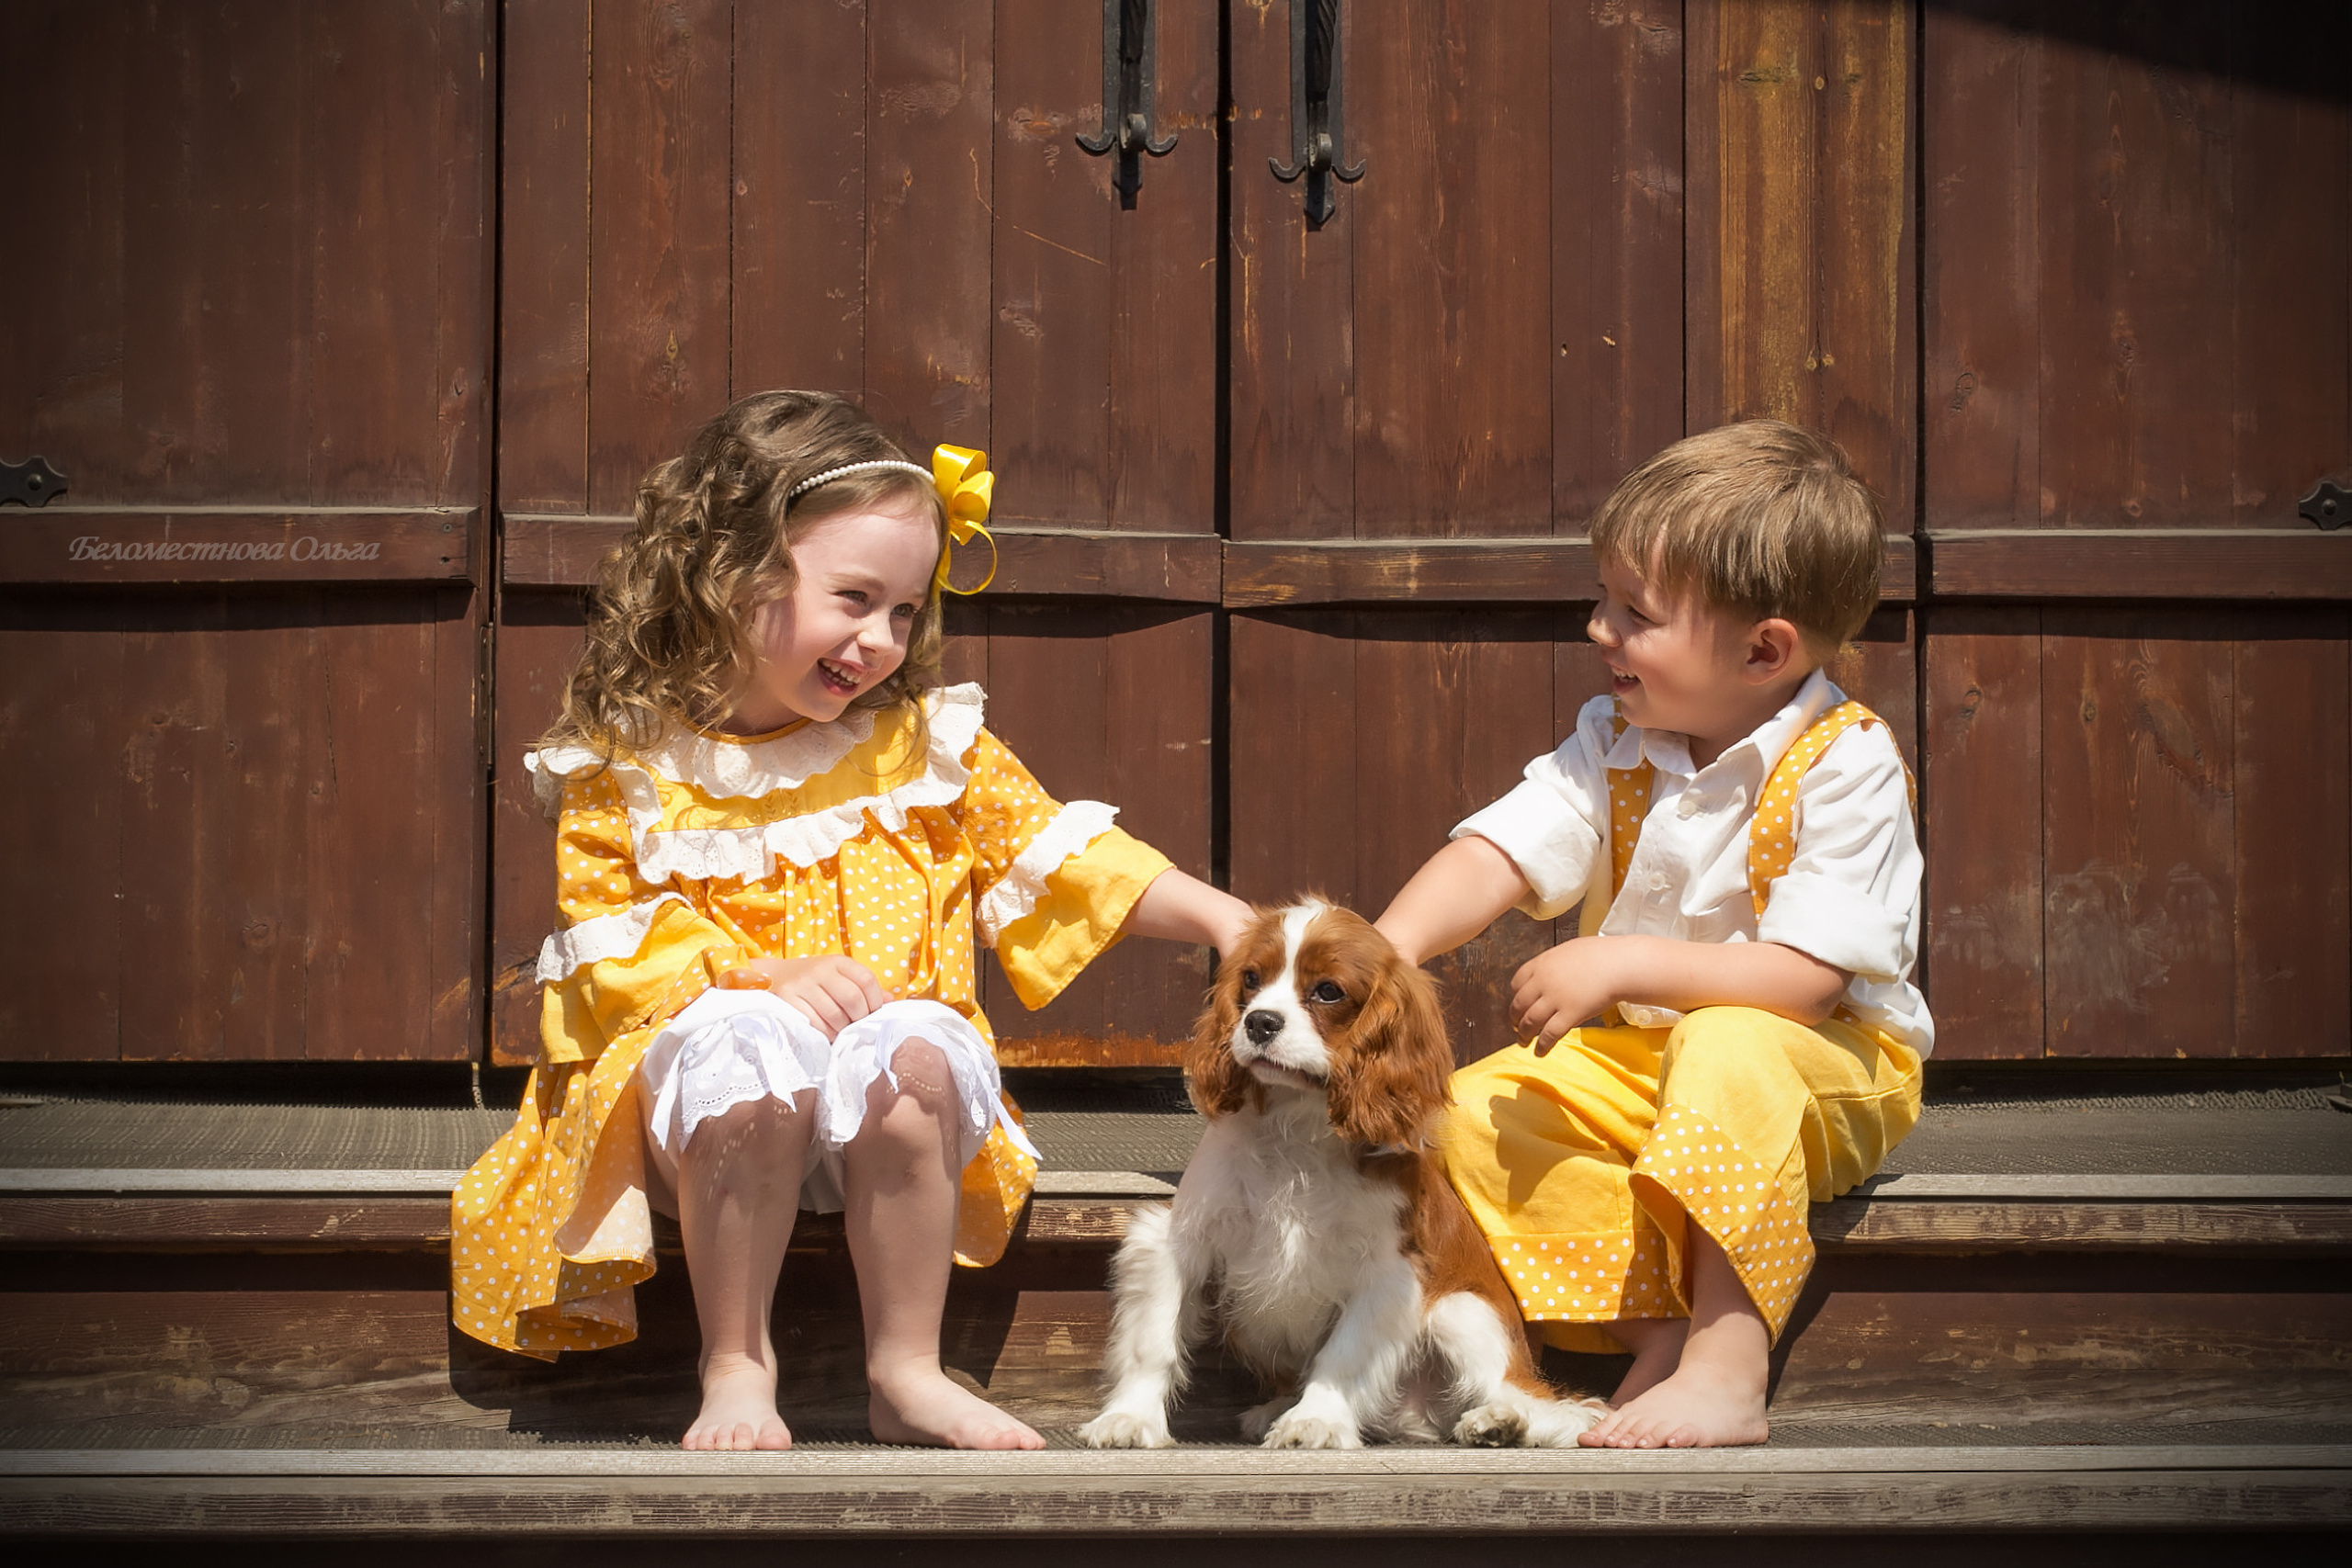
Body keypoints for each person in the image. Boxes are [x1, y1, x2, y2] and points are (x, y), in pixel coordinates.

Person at [451, 390, 1250, 1452]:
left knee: (917, 1051)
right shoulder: (631, 767)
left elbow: (1064, 857)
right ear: (731, 575)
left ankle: (904, 1370)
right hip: (706, 1123)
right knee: (746, 1047)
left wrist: (1234, 923)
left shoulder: (922, 750)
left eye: (905, 612)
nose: (879, 640)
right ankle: (737, 1360)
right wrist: (761, 973)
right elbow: (613, 944)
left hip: (885, 1118)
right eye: (853, 598)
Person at [1374, 421, 1928, 1450]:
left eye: (1634, 613)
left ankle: (1728, 1356)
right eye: (1603, 600)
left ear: (1764, 651)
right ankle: (1656, 1326)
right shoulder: (1616, 742)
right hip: (1641, 1063)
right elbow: (1499, 850)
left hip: (1827, 1065)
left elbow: (1807, 983)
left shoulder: (1844, 763)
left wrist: (1623, 959)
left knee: (1728, 1040)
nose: (1598, 629)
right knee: (1466, 1118)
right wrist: (1383, 955)